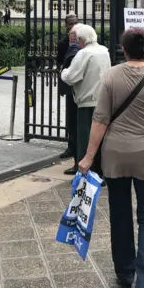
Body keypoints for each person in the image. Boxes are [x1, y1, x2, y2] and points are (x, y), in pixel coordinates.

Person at [78, 28, 144, 288]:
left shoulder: (110, 76)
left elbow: (100, 119)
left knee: (119, 214)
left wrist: (89, 157)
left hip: (116, 157)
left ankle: (125, 273)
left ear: (124, 50)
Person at [61, 24, 110, 178]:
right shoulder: (104, 51)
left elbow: (71, 77)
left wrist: (63, 72)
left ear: (82, 39)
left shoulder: (84, 53)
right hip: (102, 100)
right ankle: (100, 172)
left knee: (86, 139)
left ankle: (86, 174)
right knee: (101, 138)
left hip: (87, 101)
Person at [57, 14, 79, 161]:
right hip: (69, 84)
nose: (73, 26)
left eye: (75, 23)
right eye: (70, 24)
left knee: (80, 118)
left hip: (81, 86)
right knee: (71, 118)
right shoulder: (63, 43)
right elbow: (59, 62)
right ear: (66, 25)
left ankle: (78, 147)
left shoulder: (84, 41)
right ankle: (71, 147)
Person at [60, 23, 81, 174]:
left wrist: (63, 73)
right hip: (86, 95)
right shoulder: (100, 51)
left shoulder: (75, 50)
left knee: (75, 128)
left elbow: (69, 75)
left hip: (77, 94)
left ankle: (77, 163)